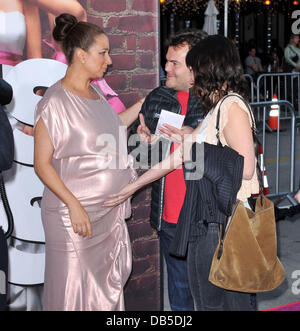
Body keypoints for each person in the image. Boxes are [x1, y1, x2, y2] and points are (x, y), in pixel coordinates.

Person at [104, 35, 260, 311]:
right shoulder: (216, 108)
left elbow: (246, 168)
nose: (190, 75)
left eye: (193, 67)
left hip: (226, 222)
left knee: (226, 301)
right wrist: (130, 188)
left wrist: (194, 145)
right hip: (200, 218)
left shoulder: (231, 106)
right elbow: (176, 157)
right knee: (197, 298)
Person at [33, 13, 144, 311]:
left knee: (99, 295)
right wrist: (73, 205)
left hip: (103, 216)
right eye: (103, 52)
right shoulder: (54, 102)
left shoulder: (94, 91)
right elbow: (41, 164)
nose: (108, 60)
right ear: (81, 56)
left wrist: (144, 104)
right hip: (73, 218)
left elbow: (112, 128)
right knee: (72, 292)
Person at [128, 29, 206, 311]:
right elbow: (139, 156)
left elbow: (238, 159)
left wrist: (197, 136)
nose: (166, 67)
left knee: (215, 294)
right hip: (170, 218)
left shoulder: (217, 102)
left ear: (195, 67)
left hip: (206, 218)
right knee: (180, 294)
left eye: (175, 63)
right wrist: (143, 141)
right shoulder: (158, 97)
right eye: (167, 60)